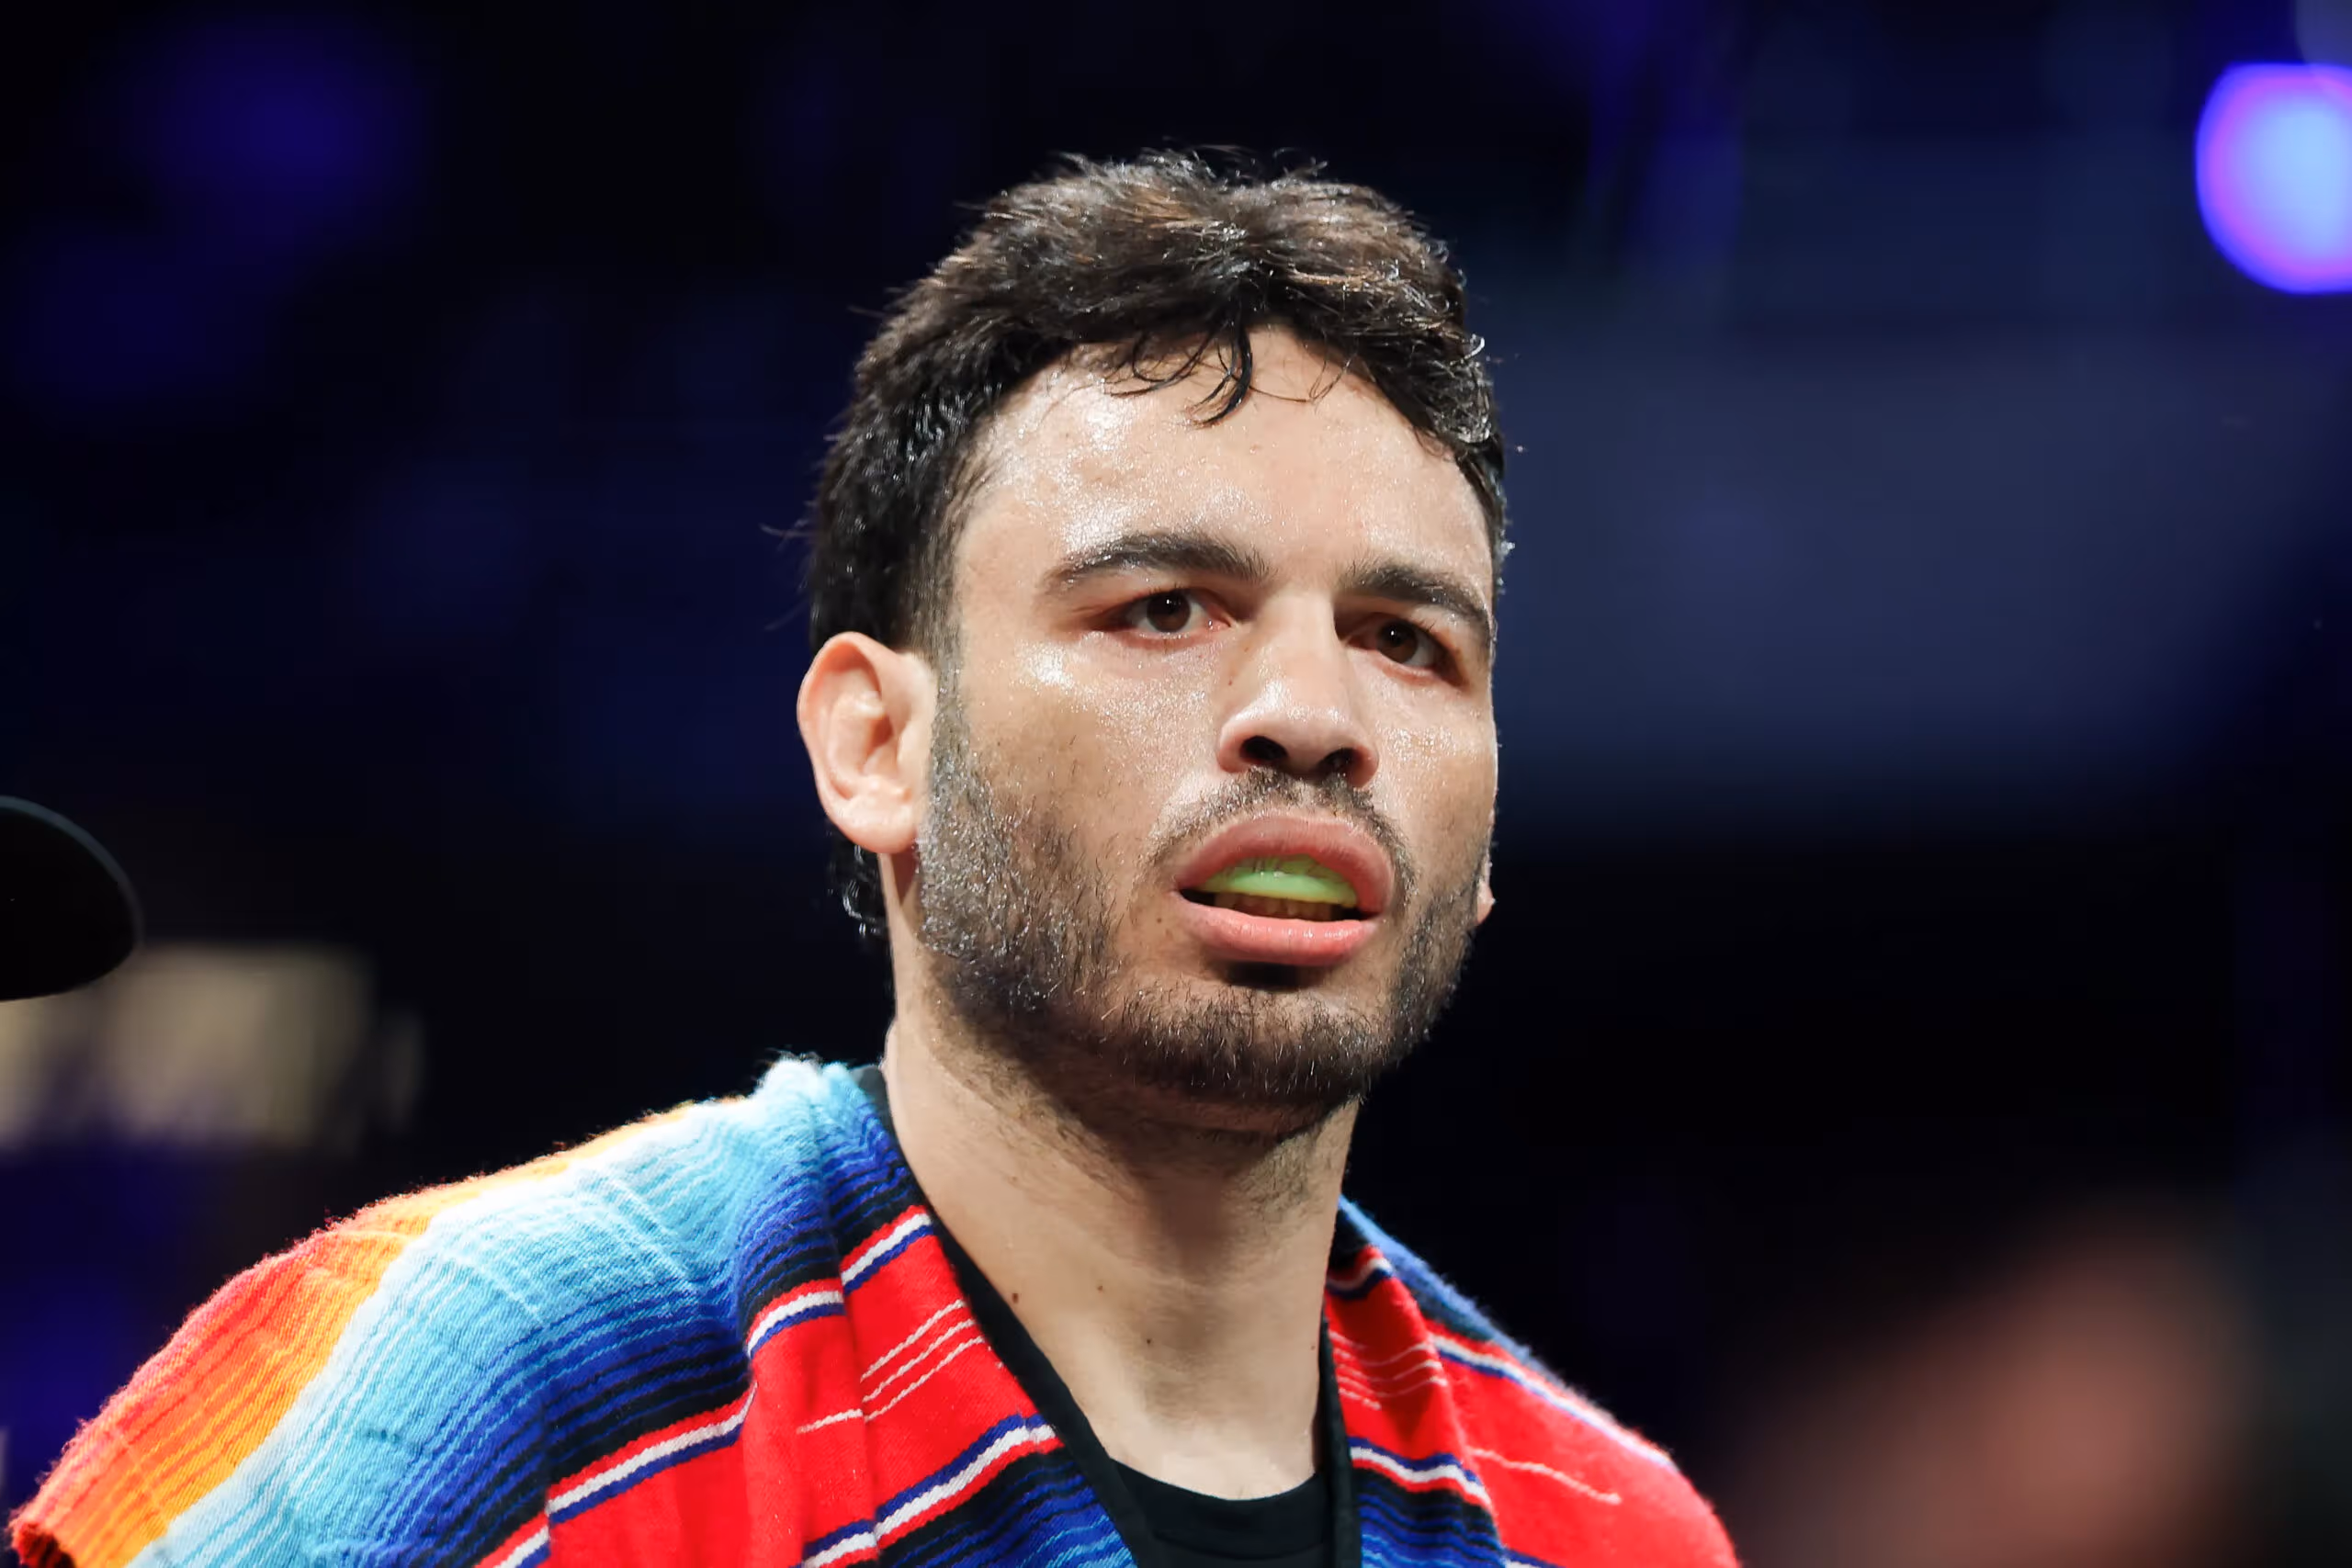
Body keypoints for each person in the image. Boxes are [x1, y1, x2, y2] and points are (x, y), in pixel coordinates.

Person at [13, 153, 1736, 1568]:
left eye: (1408, 641)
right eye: (1165, 608)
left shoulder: (1612, 1531)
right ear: (876, 745)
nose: (1313, 714)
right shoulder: (489, 1383)